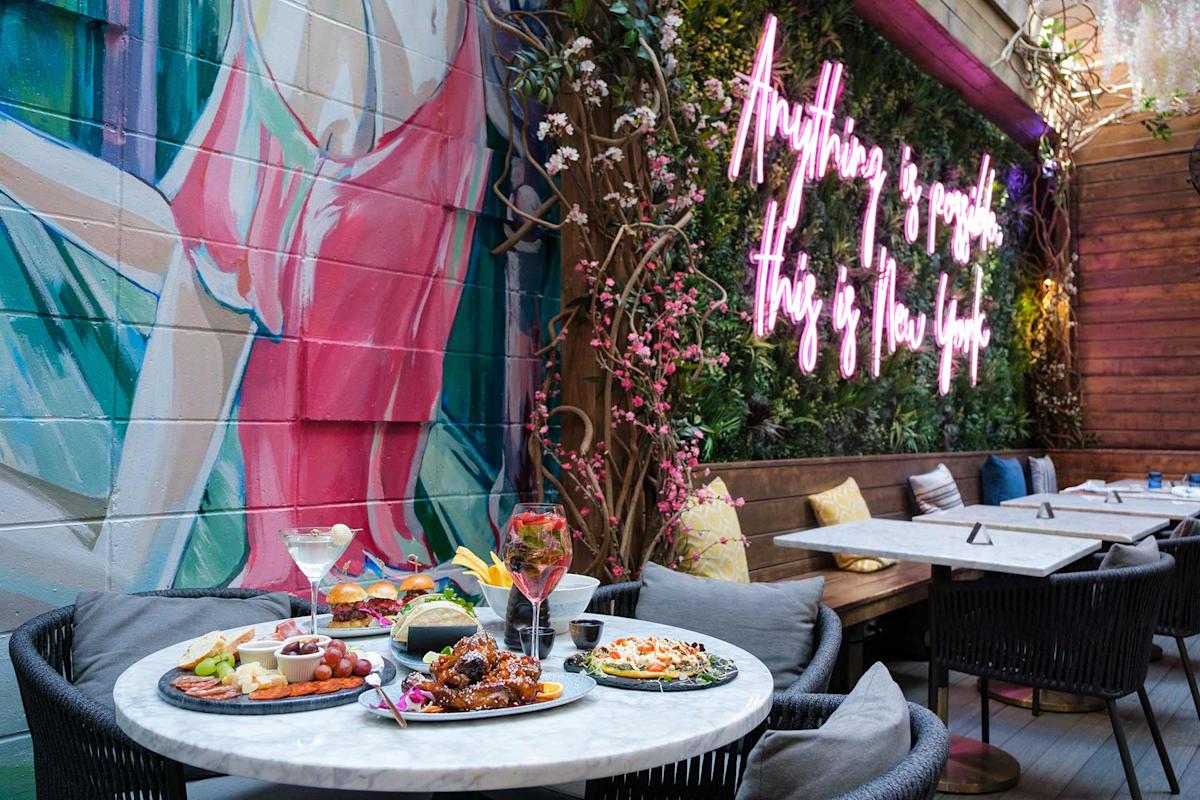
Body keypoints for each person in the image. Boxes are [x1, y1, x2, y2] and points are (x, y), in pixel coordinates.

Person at [0, 0, 489, 595]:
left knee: (113, 571)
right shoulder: (456, 37)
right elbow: (209, 249)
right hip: (398, 574)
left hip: (295, 601)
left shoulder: (307, 24)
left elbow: (220, 272)